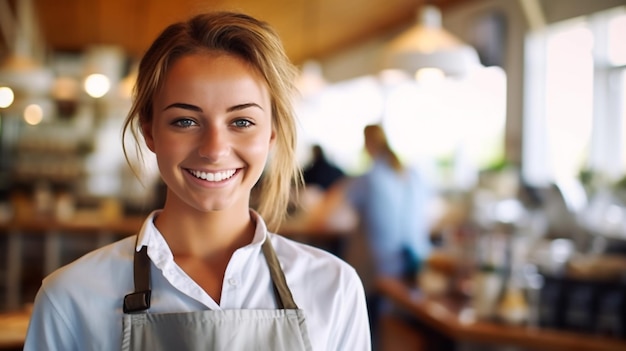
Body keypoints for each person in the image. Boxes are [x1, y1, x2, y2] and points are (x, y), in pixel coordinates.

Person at [24, 11, 370, 351]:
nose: (214, 150)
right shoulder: (70, 299)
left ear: (272, 134)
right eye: (186, 121)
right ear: (150, 133)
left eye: (242, 122)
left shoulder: (334, 288)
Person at [310, 124, 433, 349]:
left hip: (380, 270)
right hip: (418, 262)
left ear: (367, 145)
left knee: (343, 262)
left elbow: (323, 219)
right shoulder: (411, 175)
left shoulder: (368, 179)